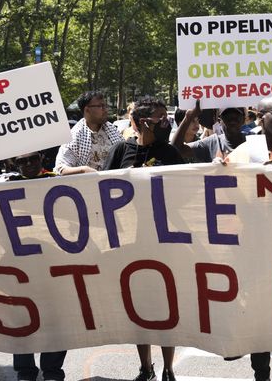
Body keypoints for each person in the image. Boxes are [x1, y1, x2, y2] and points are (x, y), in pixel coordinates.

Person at [0, 150, 73, 381]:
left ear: (42, 159)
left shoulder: (54, 180)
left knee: (54, 317)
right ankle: (25, 371)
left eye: (33, 159)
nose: (28, 164)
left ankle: (52, 371)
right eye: (22, 161)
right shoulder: (5, 183)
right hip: (15, 263)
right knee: (19, 318)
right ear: (13, 163)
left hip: (50, 260)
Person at [101, 96, 182, 381]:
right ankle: (145, 367)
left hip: (163, 241)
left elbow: (187, 189)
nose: (164, 122)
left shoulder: (169, 152)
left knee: (166, 307)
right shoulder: (121, 149)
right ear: (142, 121)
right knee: (139, 308)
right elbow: (101, 188)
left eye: (165, 118)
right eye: (159, 118)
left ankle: (168, 368)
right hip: (129, 243)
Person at [56, 91, 123, 175]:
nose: (105, 110)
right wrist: (83, 170)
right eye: (100, 106)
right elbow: (61, 168)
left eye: (105, 106)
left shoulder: (112, 129)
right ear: (87, 110)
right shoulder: (75, 135)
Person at [172, 105, 247, 163]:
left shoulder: (253, 141)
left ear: (244, 119)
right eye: (227, 116)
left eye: (236, 115)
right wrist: (188, 118)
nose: (232, 120)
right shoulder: (212, 142)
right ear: (219, 120)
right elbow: (175, 149)